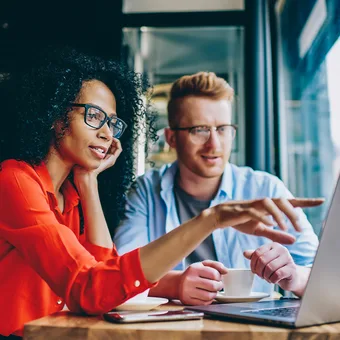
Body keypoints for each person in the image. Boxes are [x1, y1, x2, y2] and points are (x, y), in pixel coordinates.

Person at [0, 50, 322, 337]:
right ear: (56, 117)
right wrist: (211, 220)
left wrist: (88, 182)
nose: (107, 133)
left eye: (112, 122)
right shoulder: (16, 182)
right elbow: (97, 287)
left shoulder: (70, 195)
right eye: (95, 116)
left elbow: (106, 277)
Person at [114, 72, 321, 306]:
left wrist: (293, 276)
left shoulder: (266, 188)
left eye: (222, 129)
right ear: (171, 138)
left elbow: (324, 275)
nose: (214, 144)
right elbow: (119, 274)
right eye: (199, 130)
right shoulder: (145, 191)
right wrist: (175, 284)